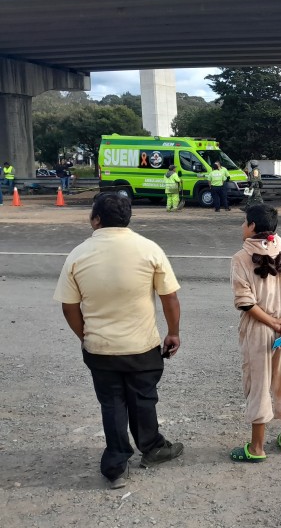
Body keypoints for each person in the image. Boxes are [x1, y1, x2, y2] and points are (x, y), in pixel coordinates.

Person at [53, 193, 185, 489]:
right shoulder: (149, 249)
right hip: (142, 346)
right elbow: (169, 297)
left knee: (112, 403)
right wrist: (173, 332)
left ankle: (115, 466)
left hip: (100, 348)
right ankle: (152, 448)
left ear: (95, 219)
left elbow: (68, 306)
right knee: (144, 398)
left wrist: (85, 336)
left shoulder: (78, 254)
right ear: (128, 218)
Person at [229, 204, 281, 462]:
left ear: (252, 227)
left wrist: (273, 324)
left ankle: (257, 448)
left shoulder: (241, 258)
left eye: (244, 222)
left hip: (259, 330)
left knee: (258, 385)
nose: (242, 227)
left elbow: (246, 302)